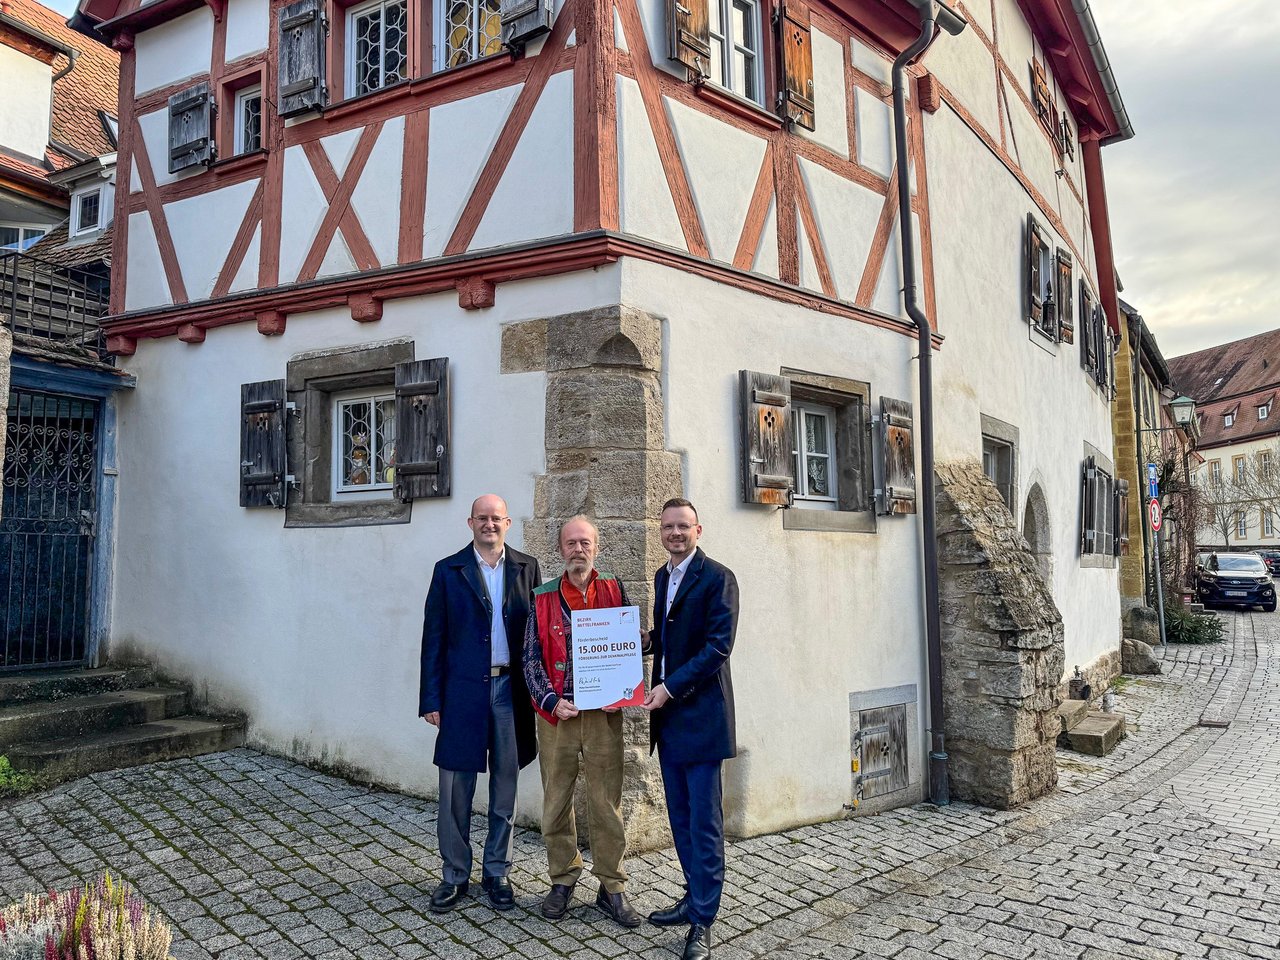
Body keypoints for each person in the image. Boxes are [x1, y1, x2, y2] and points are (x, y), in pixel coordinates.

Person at [419, 495, 541, 913]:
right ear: (470, 522)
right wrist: (431, 698)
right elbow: (432, 639)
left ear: (508, 522)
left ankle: (496, 871)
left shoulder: (527, 567)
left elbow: (537, 635)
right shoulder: (447, 571)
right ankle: (454, 875)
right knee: (455, 788)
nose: (490, 524)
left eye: (497, 518)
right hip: (461, 693)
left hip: (511, 692)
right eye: (482, 518)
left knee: (505, 784)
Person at [522, 516, 644, 927]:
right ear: (560, 550)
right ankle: (562, 879)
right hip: (557, 716)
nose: (578, 549)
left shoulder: (613, 587)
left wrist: (625, 690)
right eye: (571, 543)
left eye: (585, 542)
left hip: (602, 717)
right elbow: (530, 658)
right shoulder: (540, 597)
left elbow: (624, 646)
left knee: (606, 803)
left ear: (596, 547)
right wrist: (550, 700)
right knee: (556, 802)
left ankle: (612, 887)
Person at [644, 498, 739, 960]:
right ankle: (691, 895)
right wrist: (632, 641)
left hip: (701, 717)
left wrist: (668, 687)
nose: (675, 533)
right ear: (660, 531)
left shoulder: (719, 578)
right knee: (680, 817)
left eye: (683, 526)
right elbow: (668, 639)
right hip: (670, 720)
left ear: (698, 529)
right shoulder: (664, 577)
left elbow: (717, 647)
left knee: (704, 824)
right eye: (668, 527)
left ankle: (703, 920)